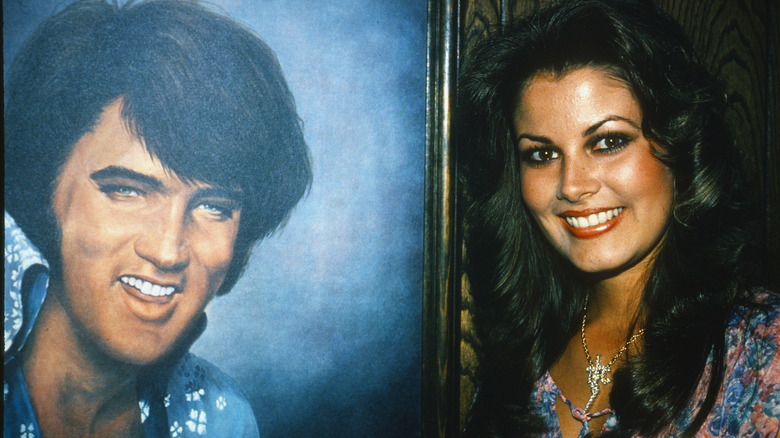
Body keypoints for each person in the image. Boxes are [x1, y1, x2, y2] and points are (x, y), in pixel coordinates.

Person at [457, 0, 779, 436]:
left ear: (681, 147)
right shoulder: (520, 346)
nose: (572, 186)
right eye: (542, 153)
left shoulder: (762, 352)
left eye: (608, 142)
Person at [4, 0, 311, 436]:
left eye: (213, 207)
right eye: (127, 190)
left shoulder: (224, 419)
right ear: (44, 188)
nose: (168, 251)